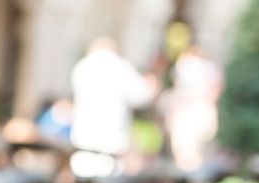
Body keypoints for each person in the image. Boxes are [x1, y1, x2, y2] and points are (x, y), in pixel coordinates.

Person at [70, 37, 157, 175]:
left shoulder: (81, 66)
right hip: (110, 145)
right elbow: (142, 95)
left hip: (83, 143)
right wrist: (152, 83)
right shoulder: (120, 66)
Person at [165, 45, 223, 171]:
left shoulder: (188, 64)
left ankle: (188, 180)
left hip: (192, 111)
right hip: (193, 110)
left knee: (188, 152)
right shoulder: (204, 65)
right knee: (191, 152)